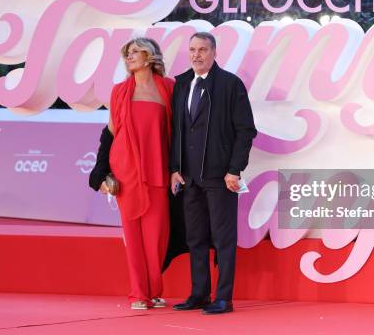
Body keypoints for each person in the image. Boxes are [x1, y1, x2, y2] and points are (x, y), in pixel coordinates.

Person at [170, 32, 257, 314]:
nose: (196, 55)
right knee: (195, 238)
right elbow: (177, 131)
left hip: (221, 177)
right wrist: (174, 168)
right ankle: (199, 293)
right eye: (193, 49)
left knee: (223, 239)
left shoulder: (231, 84)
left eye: (203, 50)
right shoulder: (182, 84)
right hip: (189, 177)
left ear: (214, 52)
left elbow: (245, 130)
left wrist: (234, 169)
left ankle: (224, 298)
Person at [90, 37, 174, 310]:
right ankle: (139, 293)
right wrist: (100, 171)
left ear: (150, 56)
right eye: (127, 53)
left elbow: (179, 131)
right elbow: (111, 132)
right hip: (126, 172)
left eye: (135, 52)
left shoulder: (168, 88)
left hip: (159, 170)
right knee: (134, 238)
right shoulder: (120, 91)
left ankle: (155, 290)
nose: (129, 57)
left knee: (157, 238)